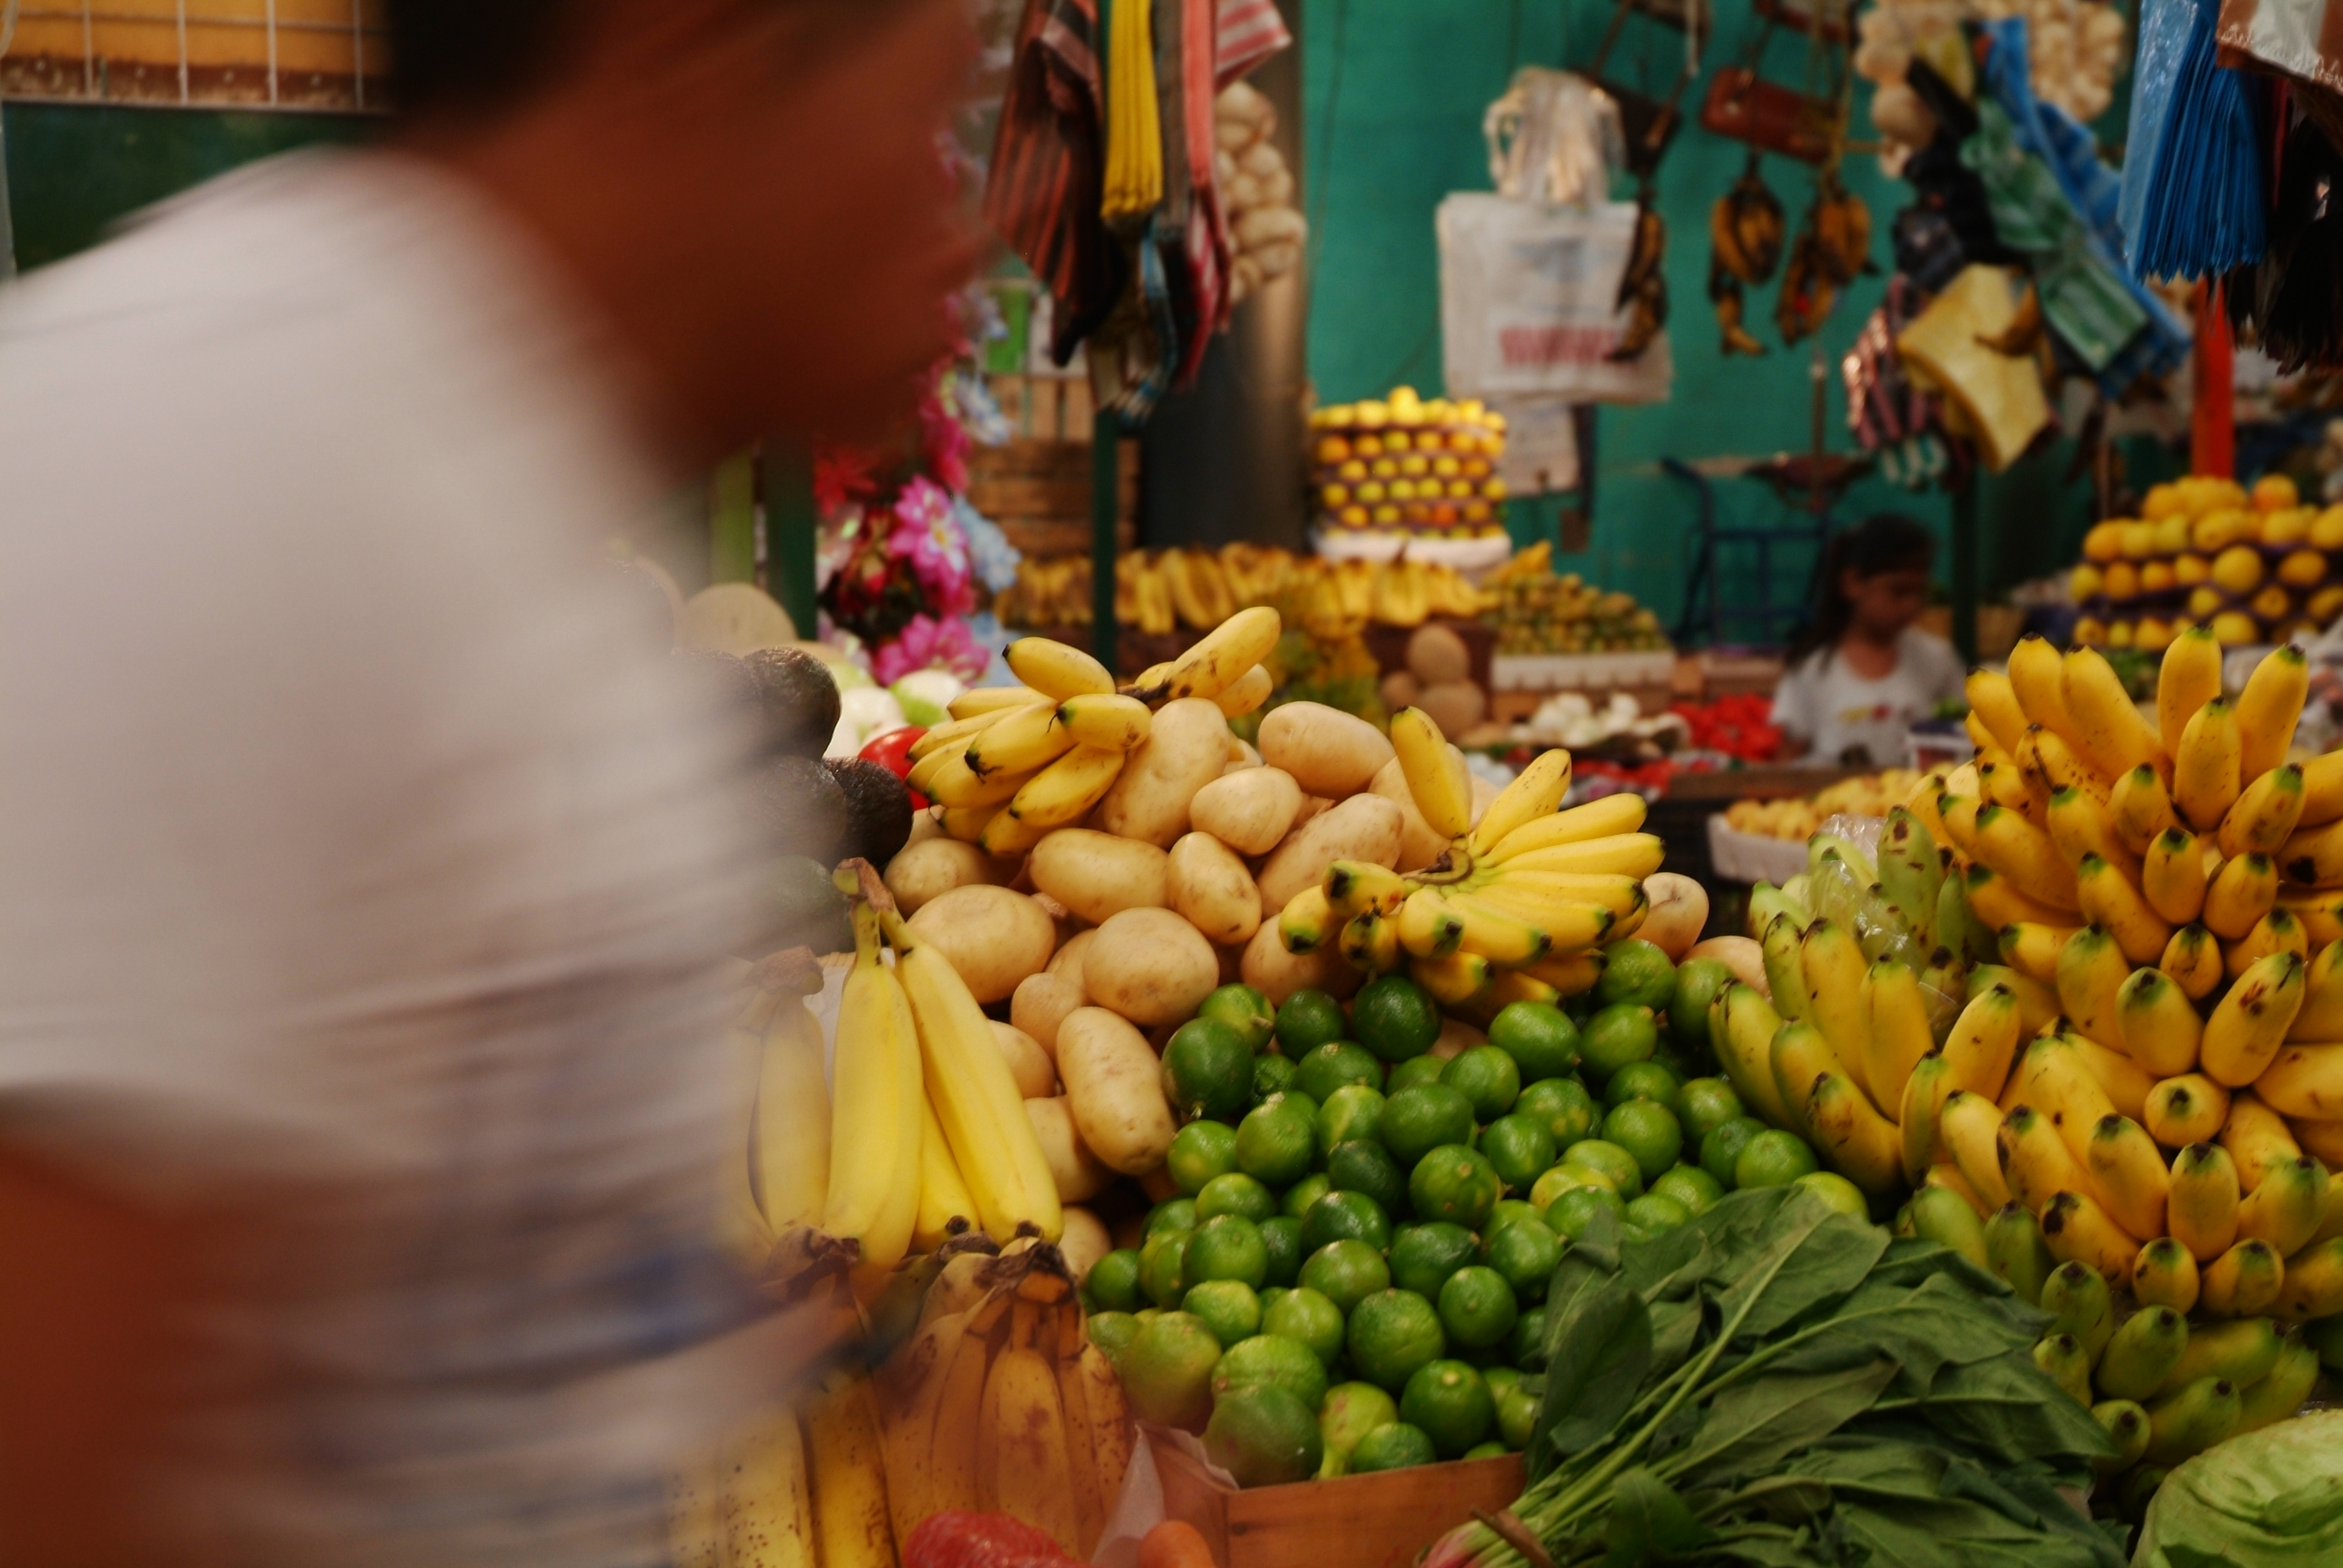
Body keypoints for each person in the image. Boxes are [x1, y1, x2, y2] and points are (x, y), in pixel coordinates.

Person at [0, 2, 978, 1565]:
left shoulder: (526, 525)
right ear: (694, 52)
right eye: (935, 113)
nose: (963, 226)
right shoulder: (201, 460)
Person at [1769, 513, 1964, 767]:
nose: (1911, 606)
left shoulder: (1937, 659)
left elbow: (1966, 734)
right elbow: (1788, 758)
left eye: (1920, 592)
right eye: (1898, 591)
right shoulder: (1811, 668)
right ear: (1852, 584)